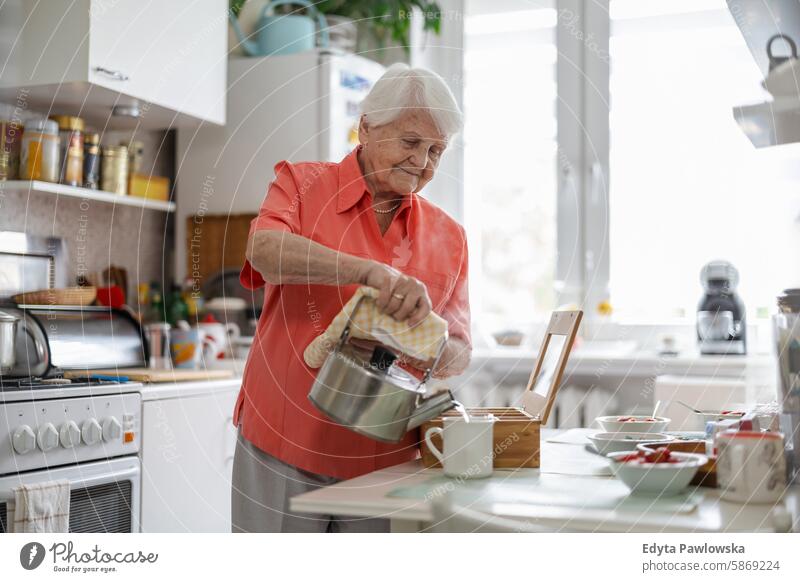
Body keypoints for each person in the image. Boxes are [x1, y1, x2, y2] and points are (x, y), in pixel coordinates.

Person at [231, 63, 471, 533]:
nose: (423, 162)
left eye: (436, 151)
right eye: (410, 142)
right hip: (285, 434)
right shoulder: (301, 183)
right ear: (366, 127)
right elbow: (264, 253)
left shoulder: (451, 236)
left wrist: (424, 340)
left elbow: (461, 351)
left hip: (385, 460)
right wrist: (368, 272)